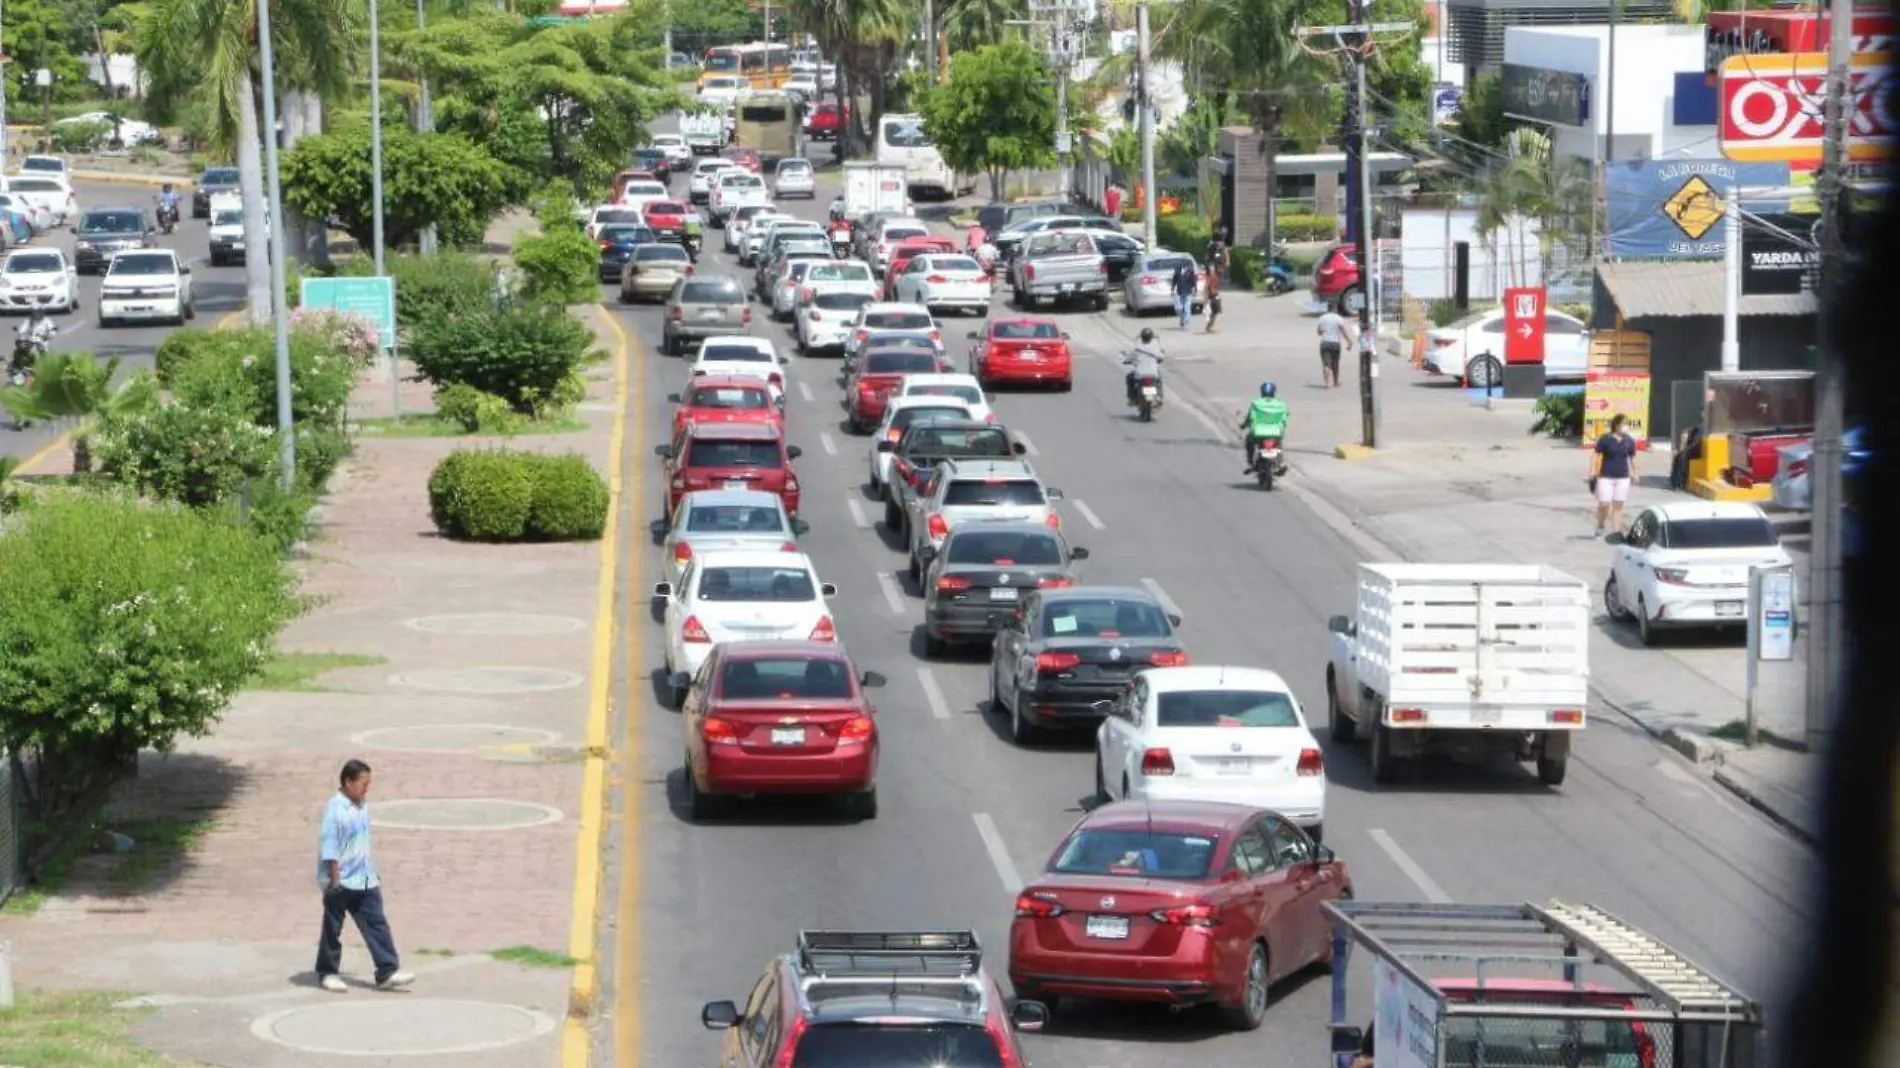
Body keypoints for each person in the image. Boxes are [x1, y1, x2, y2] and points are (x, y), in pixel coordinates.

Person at [315, 759, 413, 993]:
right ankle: (327, 972)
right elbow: (330, 850)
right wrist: (335, 882)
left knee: (376, 923)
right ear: (348, 782)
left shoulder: (361, 804)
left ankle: (387, 970)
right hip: (341, 880)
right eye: (363, 783)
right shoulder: (336, 811)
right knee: (333, 927)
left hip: (365, 878)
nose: (367, 788)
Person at [1590, 413, 1639, 538]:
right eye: (1623, 424)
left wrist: (1636, 473)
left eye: (1627, 424)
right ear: (1616, 425)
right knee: (1604, 504)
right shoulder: (1606, 439)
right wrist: (1592, 471)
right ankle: (1600, 525)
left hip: (1623, 477)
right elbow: (1596, 455)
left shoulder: (1629, 441)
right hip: (1606, 476)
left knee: (1618, 505)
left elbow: (1632, 457)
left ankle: (1616, 531)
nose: (1626, 426)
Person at [1239, 381, 1289, 474]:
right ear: (1273, 393)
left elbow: (1249, 418)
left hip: (1259, 432)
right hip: (1276, 432)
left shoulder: (1256, 403)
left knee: (1249, 441)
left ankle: (1250, 462)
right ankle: (1280, 463)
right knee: (1278, 444)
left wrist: (1244, 425)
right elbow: (1285, 417)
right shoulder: (1280, 404)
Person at [1122, 327, 1165, 406]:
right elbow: (1161, 357)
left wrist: (1127, 360)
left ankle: (1132, 398)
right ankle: (1159, 396)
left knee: (1129, 377)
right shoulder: (1155, 347)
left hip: (1140, 374)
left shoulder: (1137, 348)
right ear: (1151, 338)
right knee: (1159, 380)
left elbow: (1129, 359)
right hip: (1153, 373)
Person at [1316, 307, 1347, 388]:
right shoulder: (1338, 318)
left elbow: (1319, 332)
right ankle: (1336, 382)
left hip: (1325, 343)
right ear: (1335, 309)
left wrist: (1325, 331)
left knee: (1326, 364)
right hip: (1335, 343)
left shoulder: (1322, 318)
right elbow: (1343, 330)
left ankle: (1327, 384)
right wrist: (1349, 341)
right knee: (1335, 364)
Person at [1170, 257, 1197, 329]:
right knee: (1180, 308)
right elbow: (1174, 280)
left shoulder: (1191, 271)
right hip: (1180, 291)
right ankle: (1182, 320)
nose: (1183, 264)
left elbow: (1194, 281)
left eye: (1185, 262)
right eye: (1182, 262)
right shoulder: (1177, 270)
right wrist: (1172, 290)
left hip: (1188, 291)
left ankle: (1186, 322)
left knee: (1187, 308)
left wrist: (1194, 289)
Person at [1204, 264, 1223, 333]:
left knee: (1215, 313)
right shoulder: (1210, 277)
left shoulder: (1215, 276)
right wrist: (1206, 297)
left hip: (1215, 295)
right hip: (1212, 296)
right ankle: (1209, 327)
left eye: (1212, 268)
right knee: (1214, 313)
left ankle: (1210, 326)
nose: (1212, 270)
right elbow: (1206, 287)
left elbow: (1216, 286)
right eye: (1210, 268)